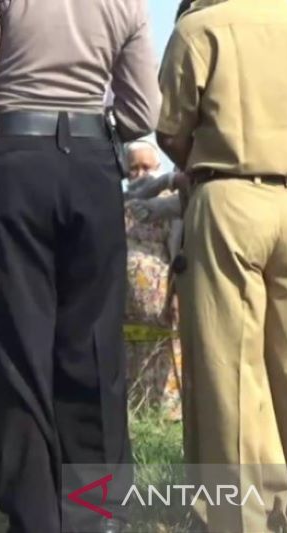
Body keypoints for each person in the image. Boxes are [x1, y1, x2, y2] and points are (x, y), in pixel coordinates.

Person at [0, 1, 160, 531]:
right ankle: (95, 516)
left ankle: (36, 518)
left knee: (18, 358)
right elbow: (142, 112)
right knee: (93, 354)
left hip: (14, 164)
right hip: (93, 166)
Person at [158, 0, 287, 530]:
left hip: (228, 199)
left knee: (230, 380)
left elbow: (170, 131)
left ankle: (242, 522)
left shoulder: (199, 30)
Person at [121, 141, 183, 420]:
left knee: (165, 372)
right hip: (124, 313)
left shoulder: (171, 205)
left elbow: (179, 251)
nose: (140, 174)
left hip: (164, 309)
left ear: (158, 168)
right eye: (133, 168)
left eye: (146, 167)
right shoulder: (120, 202)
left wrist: (178, 294)